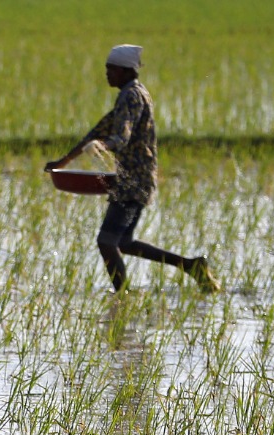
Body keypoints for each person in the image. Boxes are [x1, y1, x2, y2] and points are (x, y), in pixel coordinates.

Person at [45, 44, 220, 293]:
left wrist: (103, 145)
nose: (107, 74)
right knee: (123, 242)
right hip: (133, 180)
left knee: (106, 241)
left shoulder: (131, 96)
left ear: (126, 71)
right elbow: (100, 129)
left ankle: (123, 296)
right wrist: (64, 162)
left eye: (112, 70)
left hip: (133, 182)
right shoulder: (130, 93)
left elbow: (121, 135)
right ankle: (191, 266)